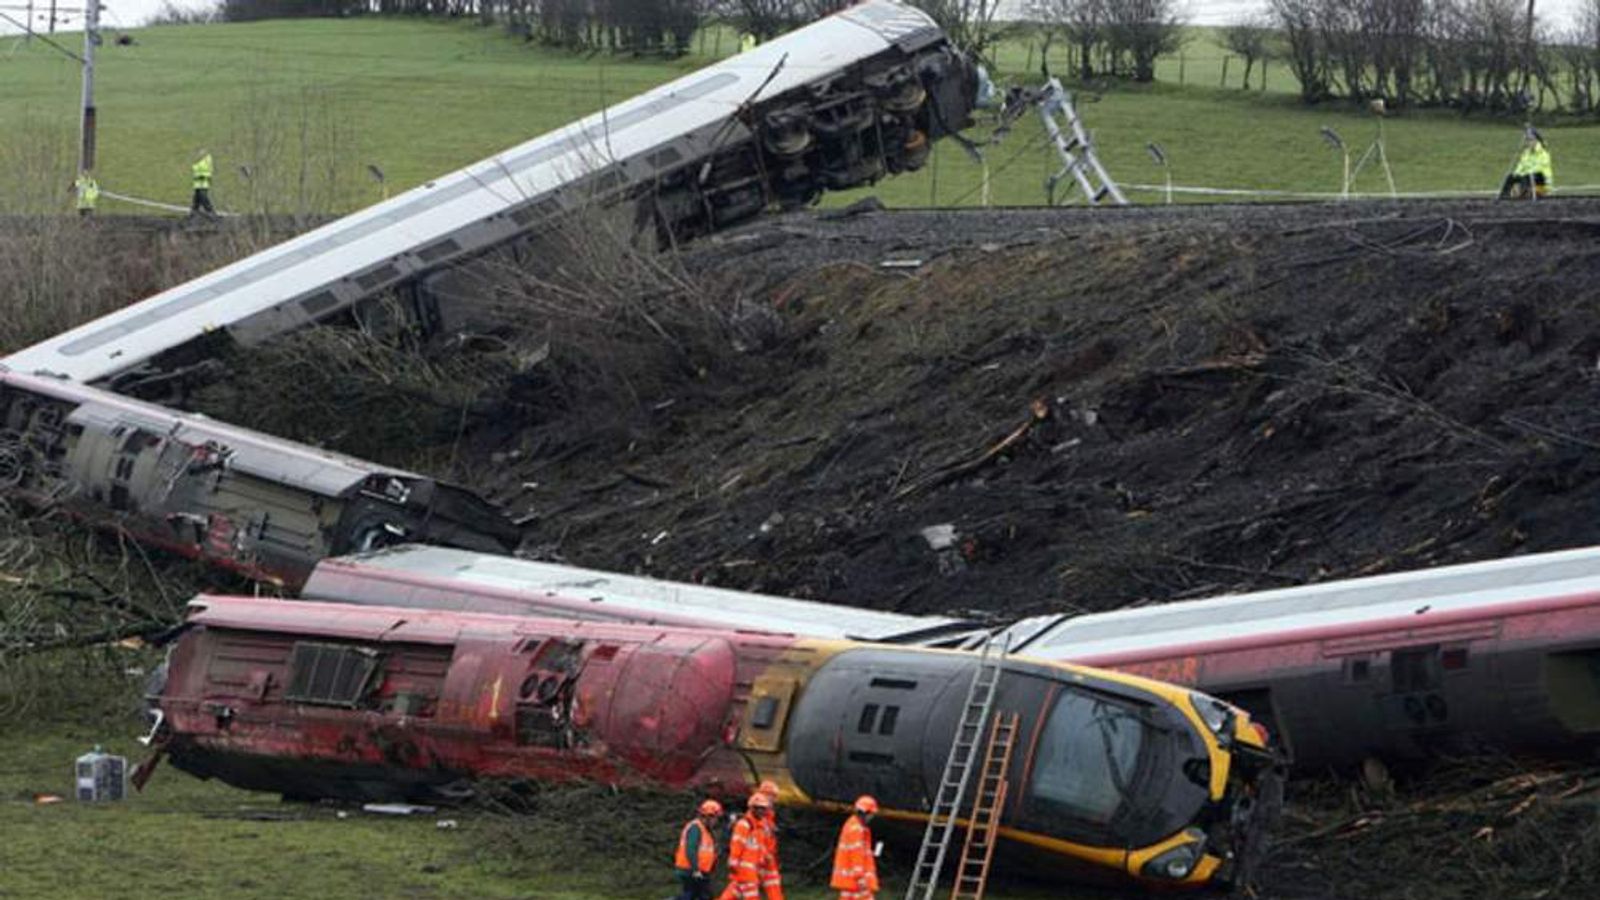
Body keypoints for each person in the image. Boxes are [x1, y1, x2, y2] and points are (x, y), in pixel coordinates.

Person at [722, 793, 771, 900]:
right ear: (752, 808)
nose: (762, 811)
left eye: (764, 808)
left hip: (750, 871)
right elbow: (737, 844)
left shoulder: (760, 827)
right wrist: (733, 862)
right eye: (759, 808)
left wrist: (764, 861)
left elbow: (760, 847)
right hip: (744, 872)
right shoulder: (744, 824)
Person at [830, 795, 879, 900]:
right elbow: (856, 854)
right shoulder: (857, 829)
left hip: (848, 881)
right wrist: (860, 877)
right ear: (866, 813)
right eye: (872, 814)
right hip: (857, 881)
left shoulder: (851, 824)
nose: (872, 818)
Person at [675, 799, 723, 900]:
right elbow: (691, 849)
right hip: (690, 870)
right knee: (696, 896)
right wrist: (696, 869)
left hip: (699, 871)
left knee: (693, 896)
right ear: (709, 816)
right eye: (716, 818)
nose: (716, 821)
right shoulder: (696, 828)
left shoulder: (707, 831)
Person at [1499, 129, 1553, 200]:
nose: (1528, 142)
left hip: (1541, 180)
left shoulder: (1544, 153)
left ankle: (1522, 197)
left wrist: (1523, 174)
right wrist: (1516, 174)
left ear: (1536, 141)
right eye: (1527, 140)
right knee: (1510, 176)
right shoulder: (1526, 153)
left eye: (1530, 140)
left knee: (1526, 177)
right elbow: (1520, 165)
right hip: (1528, 177)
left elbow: (1539, 168)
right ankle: (1504, 197)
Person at [754, 781, 783, 900]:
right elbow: (756, 838)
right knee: (739, 887)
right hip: (759, 858)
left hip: (768, 857)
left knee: (774, 886)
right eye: (772, 796)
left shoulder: (769, 815)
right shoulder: (756, 815)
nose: (774, 800)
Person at [190, 149, 216, 216]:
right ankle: (194, 211)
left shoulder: (206, 160)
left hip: (203, 182)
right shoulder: (200, 162)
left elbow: (203, 168)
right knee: (197, 197)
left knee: (203, 196)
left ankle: (210, 211)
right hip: (198, 183)